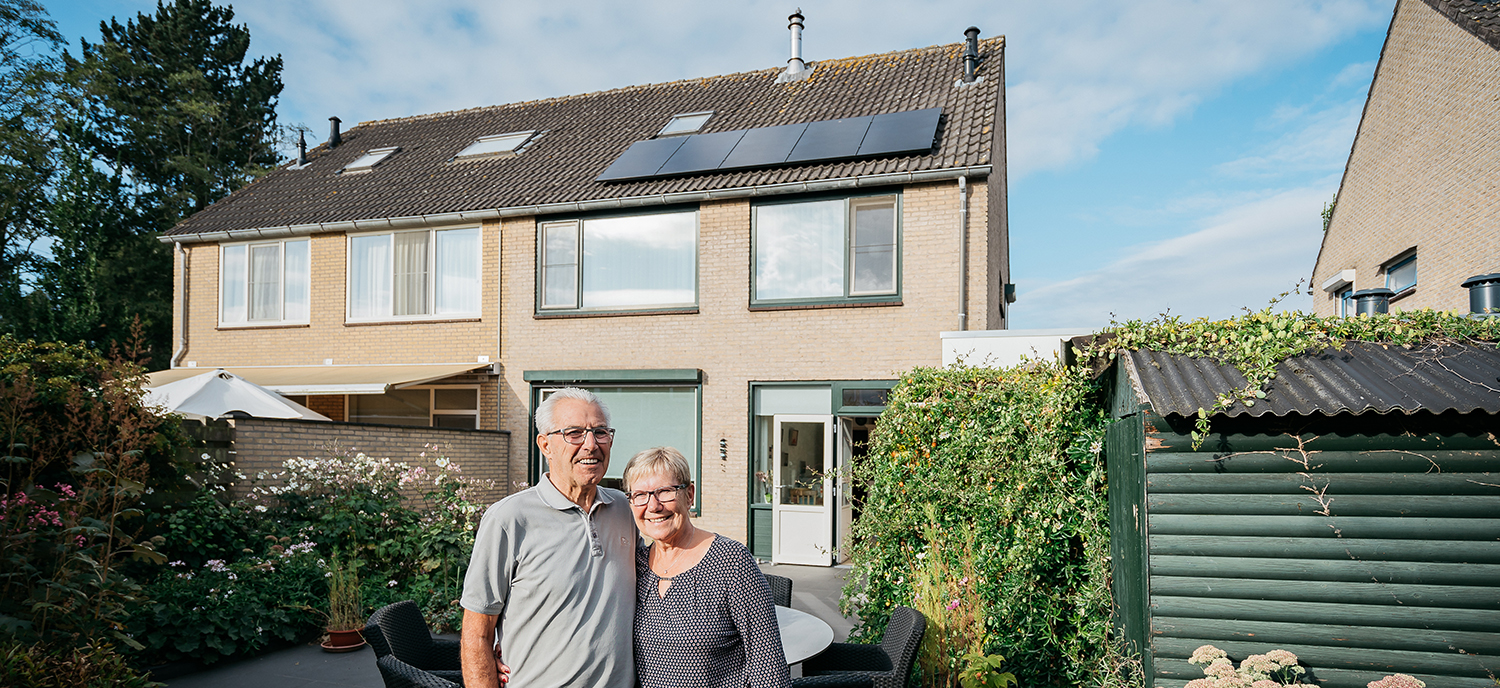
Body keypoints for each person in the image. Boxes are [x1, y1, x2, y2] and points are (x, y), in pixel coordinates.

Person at [460, 388, 637, 688]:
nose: (591, 445)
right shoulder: (509, 519)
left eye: (600, 432)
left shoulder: (624, 508)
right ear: (545, 445)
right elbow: (477, 634)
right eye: (574, 433)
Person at [625, 446, 792, 688]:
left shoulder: (731, 561)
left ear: (689, 495)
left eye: (665, 492)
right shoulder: (635, 565)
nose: (653, 506)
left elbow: (767, 667)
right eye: (640, 495)